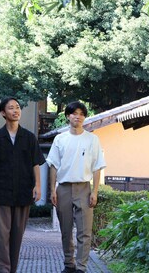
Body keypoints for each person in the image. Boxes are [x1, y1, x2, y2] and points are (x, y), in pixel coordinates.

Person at [0, 97, 45, 273]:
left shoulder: (29, 137)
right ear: (3, 113)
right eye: (11, 108)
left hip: (23, 194)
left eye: (18, 107)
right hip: (1, 193)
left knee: (16, 238)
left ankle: (10, 270)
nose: (16, 110)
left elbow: (35, 163)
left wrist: (37, 186)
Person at [46, 101, 106, 273]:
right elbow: (53, 166)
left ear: (84, 117)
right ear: (67, 116)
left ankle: (81, 267)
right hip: (63, 188)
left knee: (84, 231)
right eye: (74, 113)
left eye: (81, 113)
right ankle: (69, 264)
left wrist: (95, 191)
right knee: (65, 230)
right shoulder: (60, 139)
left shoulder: (93, 139)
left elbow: (97, 167)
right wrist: (52, 190)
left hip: (84, 188)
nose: (77, 116)